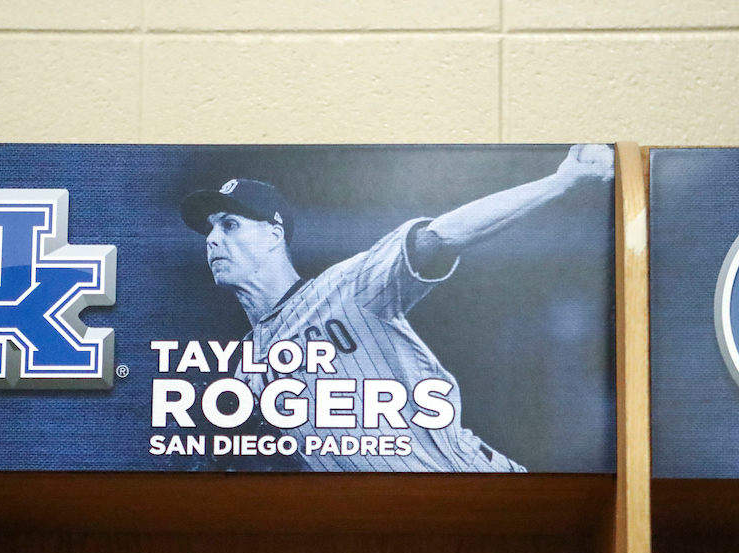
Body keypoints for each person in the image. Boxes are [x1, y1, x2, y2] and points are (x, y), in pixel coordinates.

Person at [180, 144, 613, 472]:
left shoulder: (347, 287)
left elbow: (444, 235)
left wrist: (562, 181)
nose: (213, 239)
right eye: (209, 230)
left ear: (274, 234)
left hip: (476, 485)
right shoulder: (243, 371)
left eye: (230, 224)